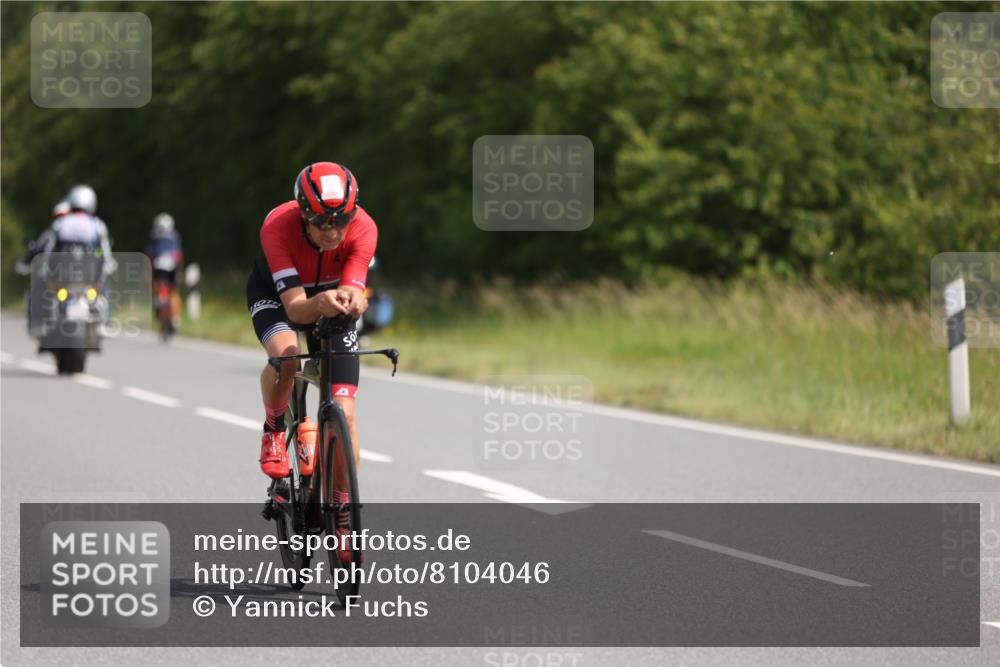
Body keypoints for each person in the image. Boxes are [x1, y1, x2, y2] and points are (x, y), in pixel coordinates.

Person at [246, 162, 376, 549]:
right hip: (280, 297)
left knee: (346, 415)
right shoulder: (277, 226)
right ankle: (273, 428)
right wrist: (321, 301)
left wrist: (354, 300)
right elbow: (298, 310)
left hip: (329, 300)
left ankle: (341, 507)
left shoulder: (365, 229)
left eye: (342, 219)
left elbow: (355, 290)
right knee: (287, 357)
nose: (334, 230)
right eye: (322, 222)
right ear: (303, 212)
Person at [18, 185, 115, 276]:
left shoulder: (60, 223)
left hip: (61, 277)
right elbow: (106, 255)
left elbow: (49, 249)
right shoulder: (98, 225)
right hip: (87, 278)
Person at [145, 213, 184, 331]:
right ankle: (176, 319)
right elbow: (179, 255)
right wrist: (180, 272)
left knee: (155, 286)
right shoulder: (175, 236)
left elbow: (150, 255)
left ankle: (158, 303)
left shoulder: (154, 236)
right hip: (172, 268)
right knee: (174, 291)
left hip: (158, 267)